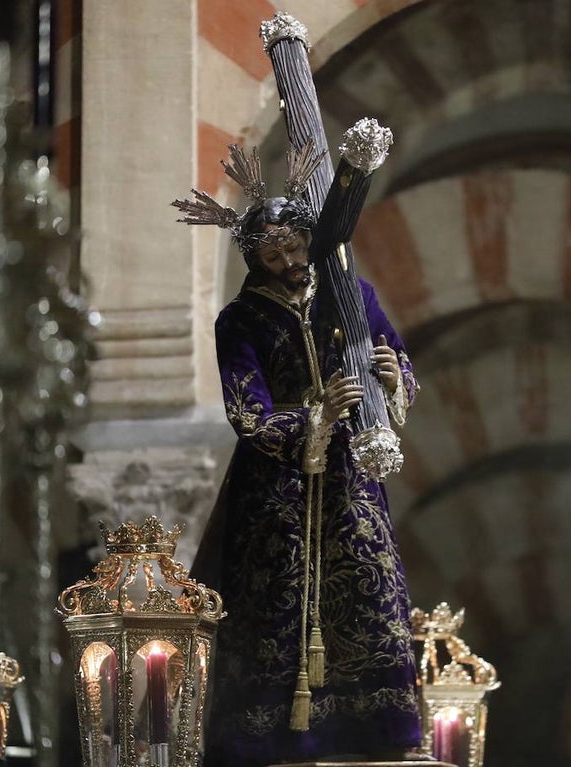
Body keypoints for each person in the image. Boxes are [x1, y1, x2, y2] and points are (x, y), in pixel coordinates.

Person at [176, 148, 423, 766]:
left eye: (294, 246)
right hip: (278, 493)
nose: (288, 262)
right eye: (272, 253)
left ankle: (378, 733)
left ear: (311, 239)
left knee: (370, 592)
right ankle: (274, 737)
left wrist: (392, 380)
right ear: (255, 258)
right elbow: (248, 413)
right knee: (277, 609)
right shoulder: (240, 321)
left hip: (350, 484)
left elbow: (394, 358)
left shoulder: (351, 294)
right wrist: (317, 416)